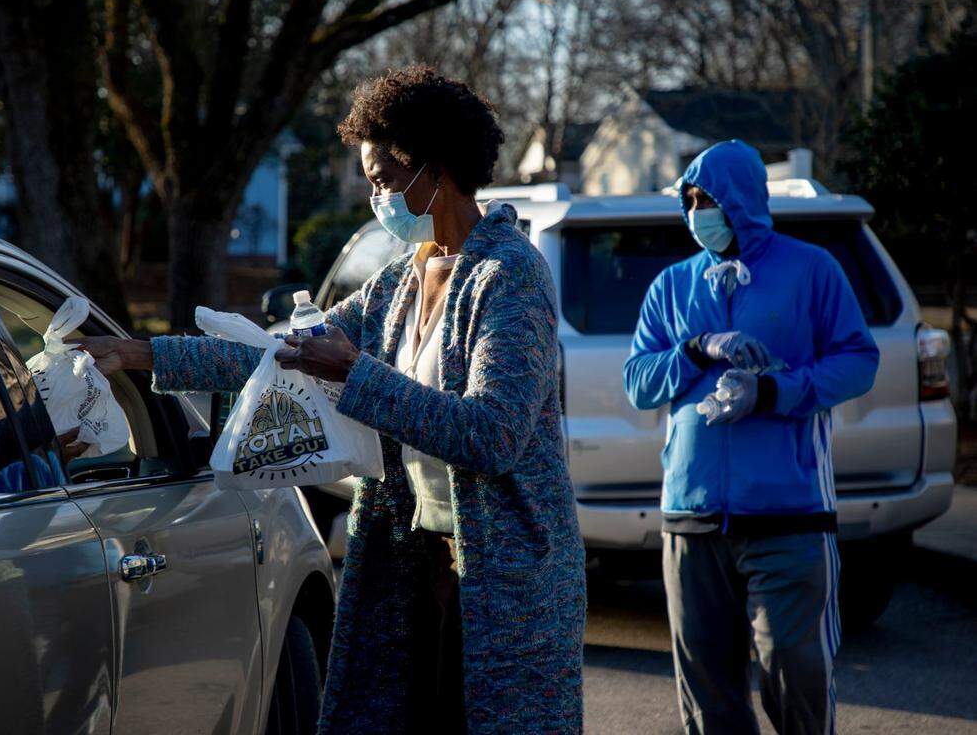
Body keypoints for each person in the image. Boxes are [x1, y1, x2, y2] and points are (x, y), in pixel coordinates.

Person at [76, 66, 586, 734]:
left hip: (502, 582)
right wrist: (140, 355)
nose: (375, 196)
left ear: (432, 168)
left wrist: (357, 376)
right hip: (415, 570)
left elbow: (492, 435)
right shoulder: (400, 281)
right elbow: (280, 352)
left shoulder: (509, 274)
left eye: (381, 179)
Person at [623, 139, 880, 735]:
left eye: (705, 198)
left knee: (794, 674)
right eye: (687, 200)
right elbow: (638, 381)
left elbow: (858, 362)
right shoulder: (672, 285)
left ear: (739, 201)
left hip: (789, 514)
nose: (695, 211)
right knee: (707, 690)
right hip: (691, 516)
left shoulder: (811, 269)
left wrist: (773, 392)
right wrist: (695, 349)